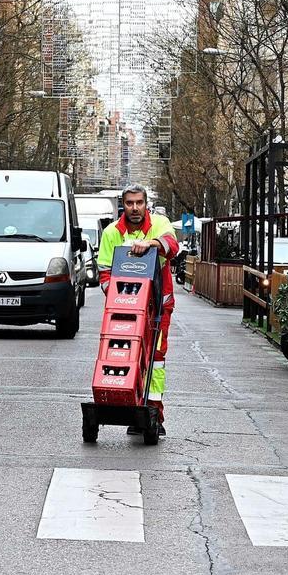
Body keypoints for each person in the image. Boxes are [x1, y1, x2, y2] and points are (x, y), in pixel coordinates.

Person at [97, 184, 180, 435]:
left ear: (146, 204)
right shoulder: (112, 232)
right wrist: (120, 296)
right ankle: (132, 408)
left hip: (157, 308)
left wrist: (151, 243)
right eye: (130, 203)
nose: (135, 208)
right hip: (125, 310)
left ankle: (154, 412)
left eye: (139, 203)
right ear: (124, 205)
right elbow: (104, 273)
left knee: (155, 361)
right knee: (126, 357)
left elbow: (172, 246)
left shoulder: (159, 224)